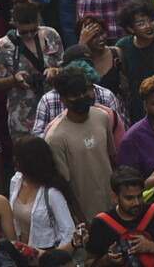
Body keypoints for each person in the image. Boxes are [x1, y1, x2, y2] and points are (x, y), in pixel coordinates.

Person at [44, 65, 116, 221]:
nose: (83, 97)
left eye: (85, 91)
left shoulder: (103, 117)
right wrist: (83, 221)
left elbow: (111, 159)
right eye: (75, 95)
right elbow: (65, 186)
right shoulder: (55, 137)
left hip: (114, 208)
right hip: (87, 216)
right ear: (63, 99)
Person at [0, 0, 63, 140]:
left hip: (54, 111)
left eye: (33, 30)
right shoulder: (3, 45)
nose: (29, 35)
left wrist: (56, 71)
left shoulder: (50, 35)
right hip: (22, 117)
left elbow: (66, 67)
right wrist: (14, 79)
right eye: (24, 32)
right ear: (14, 23)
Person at [85, 167, 154, 267]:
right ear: (115, 197)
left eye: (139, 196)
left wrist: (153, 247)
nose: (136, 202)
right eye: (129, 198)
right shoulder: (101, 223)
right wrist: (107, 260)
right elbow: (88, 263)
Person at [7, 135, 79, 250]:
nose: (14, 159)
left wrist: (53, 259)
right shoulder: (16, 181)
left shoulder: (52, 193)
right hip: (23, 253)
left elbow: (69, 233)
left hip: (48, 252)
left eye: (17, 157)